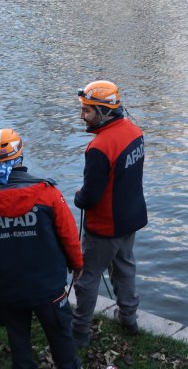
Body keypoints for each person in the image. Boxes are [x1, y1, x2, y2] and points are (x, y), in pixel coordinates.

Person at [0, 129, 83, 369]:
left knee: (19, 342)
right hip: (49, 287)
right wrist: (77, 263)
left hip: (8, 287)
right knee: (61, 338)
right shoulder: (47, 193)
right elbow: (69, 235)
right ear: (20, 152)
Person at [70, 80, 147, 347]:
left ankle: (79, 331)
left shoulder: (99, 148)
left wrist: (78, 197)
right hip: (131, 217)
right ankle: (129, 318)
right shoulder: (135, 132)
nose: (82, 116)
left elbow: (90, 197)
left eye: (87, 110)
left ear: (104, 112)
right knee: (125, 267)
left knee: (87, 276)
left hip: (105, 226)